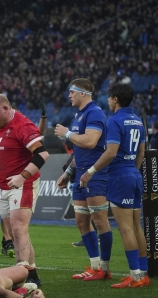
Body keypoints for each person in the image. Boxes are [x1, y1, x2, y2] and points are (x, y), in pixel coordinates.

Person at [79, 83, 150, 288]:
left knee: (126, 228)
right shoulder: (137, 120)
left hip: (120, 176)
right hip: (134, 174)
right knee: (137, 227)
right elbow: (141, 153)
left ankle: (135, 276)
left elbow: (110, 152)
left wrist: (90, 172)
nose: (108, 101)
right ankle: (142, 273)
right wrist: (132, 171)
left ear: (115, 99)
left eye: (110, 98)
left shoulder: (115, 120)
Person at [0, 93, 49, 286]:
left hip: (24, 183)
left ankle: (21, 275)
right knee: (15, 231)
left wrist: (22, 176)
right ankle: (31, 273)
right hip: (3, 185)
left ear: (6, 109)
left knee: (17, 228)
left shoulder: (22, 125)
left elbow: (42, 154)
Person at [54, 78, 113, 281]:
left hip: (95, 174)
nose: (69, 95)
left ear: (82, 93)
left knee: (100, 221)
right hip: (80, 174)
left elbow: (90, 141)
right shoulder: (79, 114)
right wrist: (68, 173)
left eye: (71, 92)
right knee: (81, 221)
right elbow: (79, 150)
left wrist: (67, 133)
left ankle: (104, 269)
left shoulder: (94, 112)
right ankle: (95, 265)